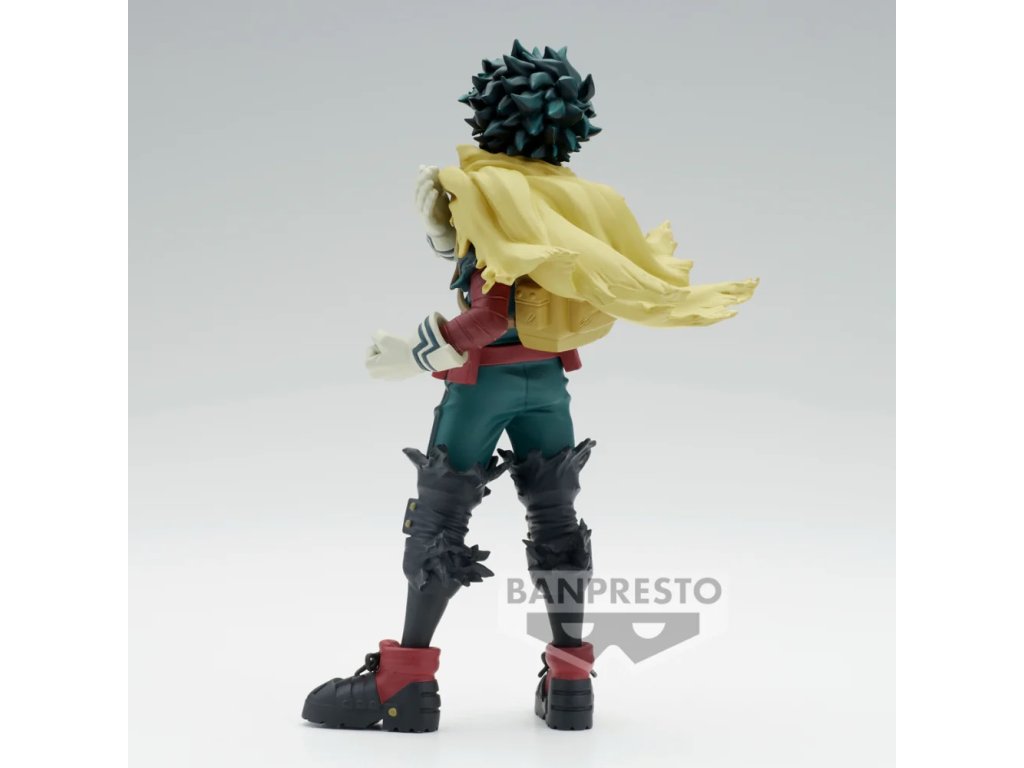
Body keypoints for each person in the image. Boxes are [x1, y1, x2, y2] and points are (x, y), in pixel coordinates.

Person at [301, 40, 758, 733]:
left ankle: (403, 683)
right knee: (556, 521)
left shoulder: (494, 190)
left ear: (489, 113)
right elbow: (522, 280)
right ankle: (571, 677)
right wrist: (444, 236)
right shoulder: (580, 199)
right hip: (547, 382)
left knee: (439, 519)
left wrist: (415, 351)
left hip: (482, 384)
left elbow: (494, 308)